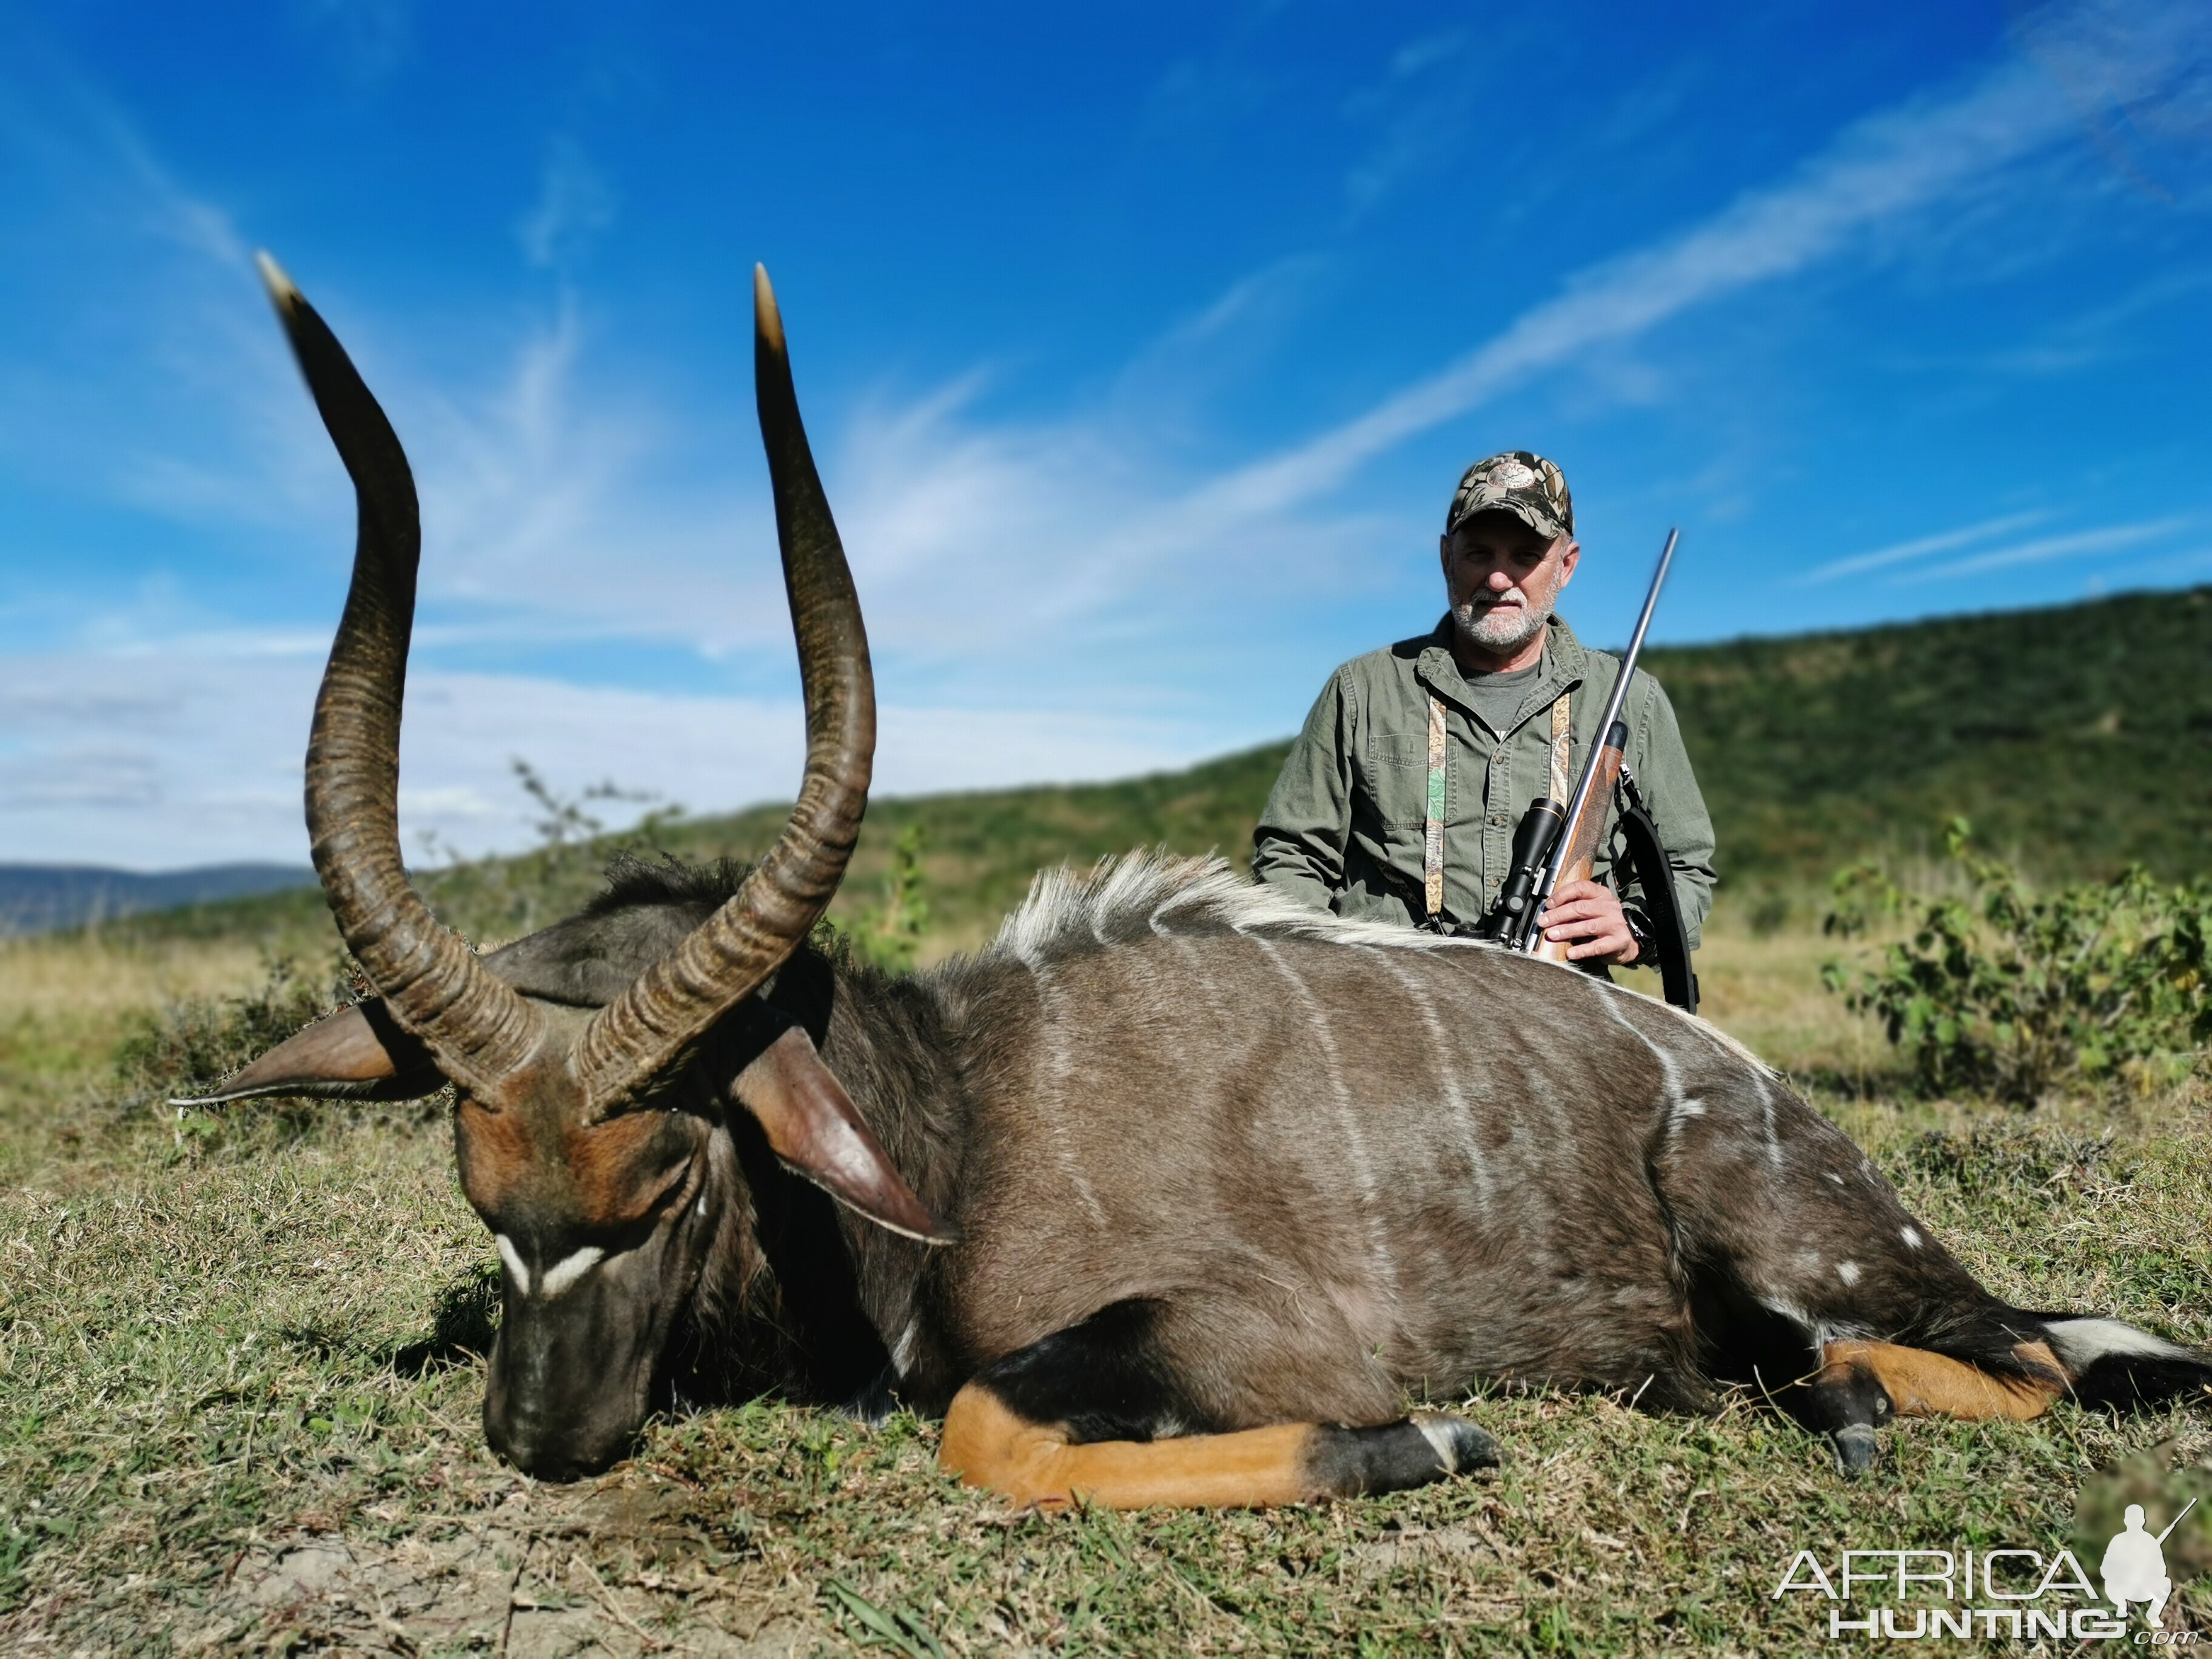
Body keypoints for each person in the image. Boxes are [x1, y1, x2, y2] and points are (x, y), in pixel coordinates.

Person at [1253, 450, 1715, 968]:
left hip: (1563, 1003)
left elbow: (1686, 866)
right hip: (1391, 1003)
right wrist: (1328, 976)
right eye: (1479, 554)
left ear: (1566, 565)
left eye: (1524, 557)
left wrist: (1634, 928)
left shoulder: (1632, 699)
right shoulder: (1360, 689)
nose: (1498, 579)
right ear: (1447, 557)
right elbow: (1291, 857)